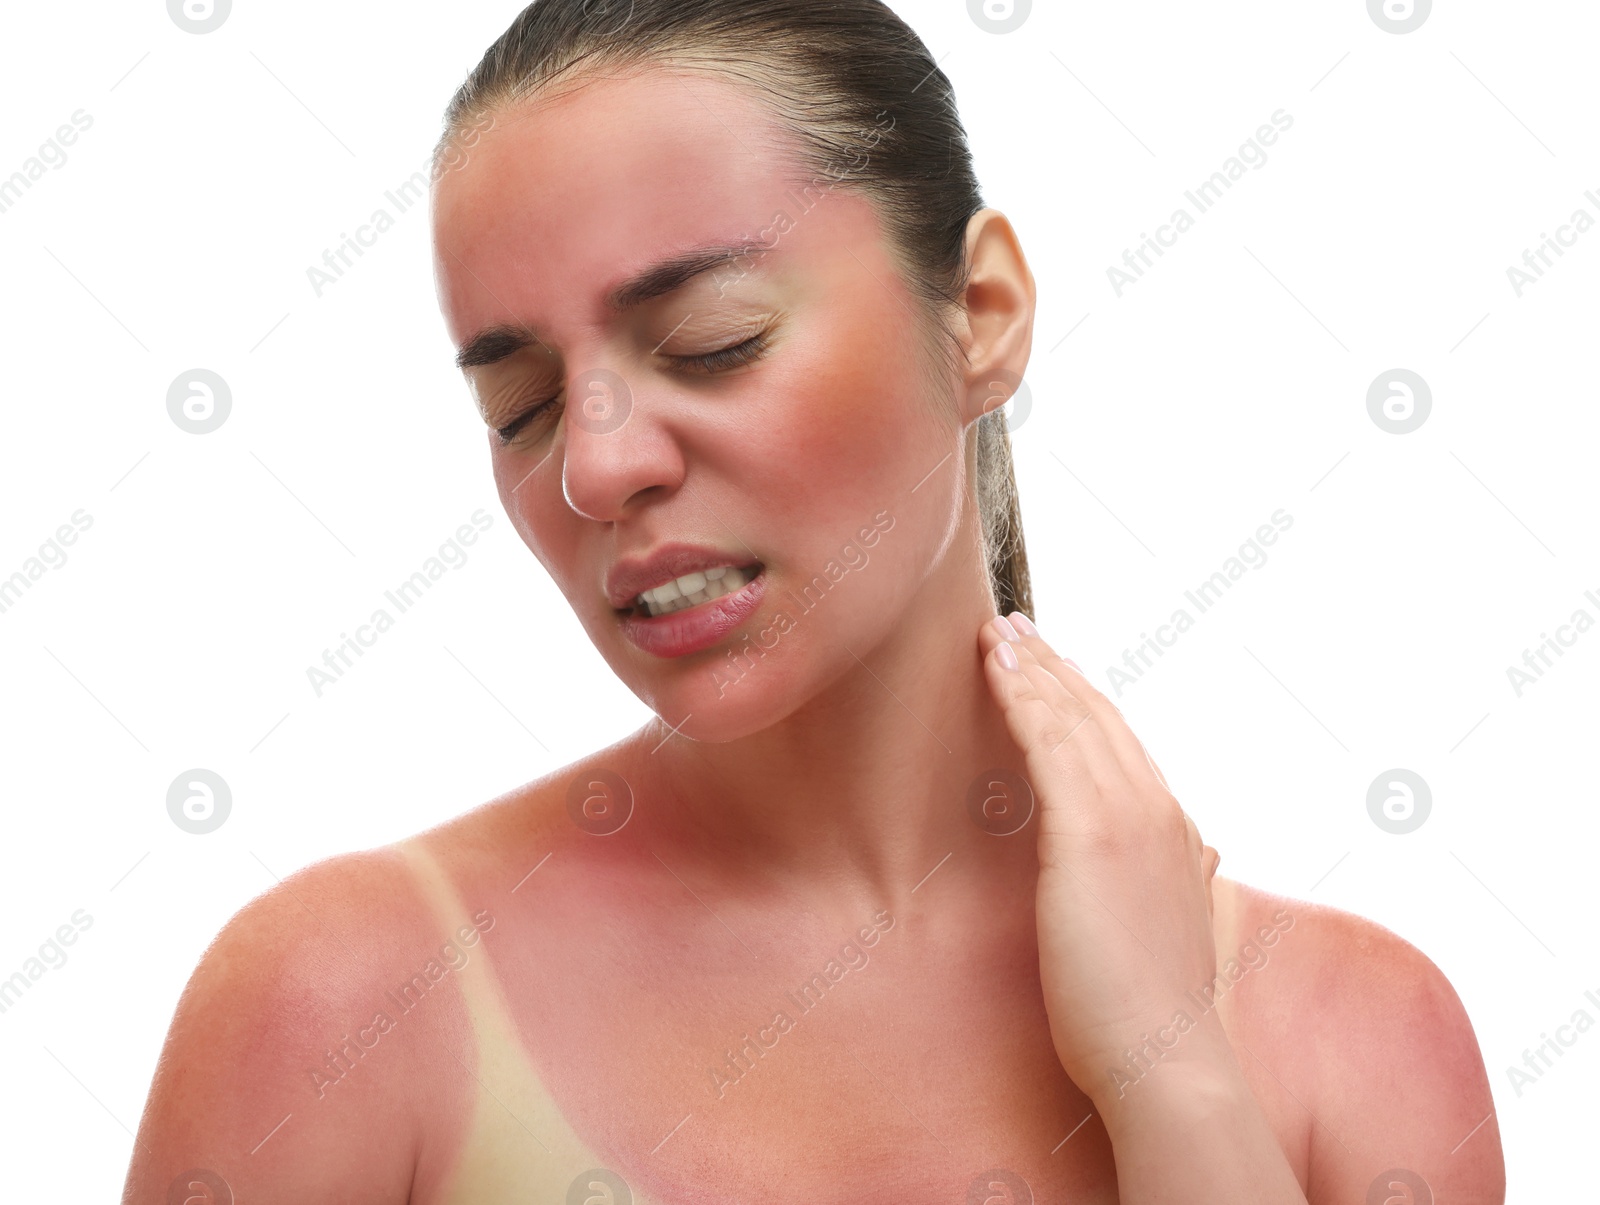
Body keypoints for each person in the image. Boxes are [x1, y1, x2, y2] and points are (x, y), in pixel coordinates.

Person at [123, 2, 1505, 1202]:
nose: (597, 465)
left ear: (981, 310)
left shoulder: (1358, 1042)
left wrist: (1178, 1085)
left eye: (712, 342)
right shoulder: (342, 1011)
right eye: (521, 406)